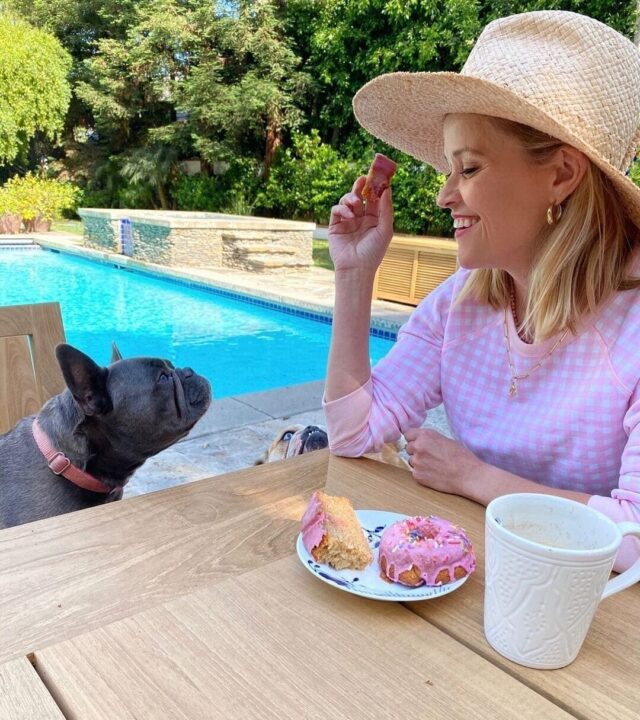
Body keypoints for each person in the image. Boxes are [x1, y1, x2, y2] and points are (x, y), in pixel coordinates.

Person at [323, 10, 640, 570]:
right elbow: (352, 434)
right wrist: (354, 275)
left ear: (561, 175)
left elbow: (635, 535)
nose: (445, 195)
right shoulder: (462, 302)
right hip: (478, 581)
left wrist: (474, 477)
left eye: (468, 169)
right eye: (448, 170)